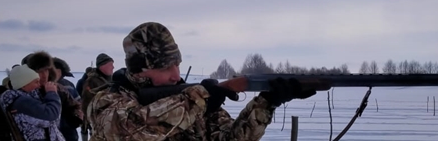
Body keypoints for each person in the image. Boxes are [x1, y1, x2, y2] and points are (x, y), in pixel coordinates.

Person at [88, 22, 316, 140]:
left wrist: (266, 103)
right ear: (141, 69)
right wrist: (201, 99)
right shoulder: (107, 102)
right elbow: (131, 131)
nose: (176, 75)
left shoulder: (192, 101)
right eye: (166, 67)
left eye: (177, 64)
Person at [26, 51, 83, 141]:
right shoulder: (24, 91)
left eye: (46, 70)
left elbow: (75, 106)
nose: (44, 75)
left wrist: (70, 123)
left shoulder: (59, 89)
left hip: (63, 136)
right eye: (40, 71)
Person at [0, 64, 64, 140]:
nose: (39, 85)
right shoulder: (21, 102)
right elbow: (51, 115)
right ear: (23, 85)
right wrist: (52, 93)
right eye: (36, 82)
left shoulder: (28, 97)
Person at [80, 53, 114, 141]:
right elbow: (86, 104)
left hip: (110, 122)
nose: (113, 67)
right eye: (110, 65)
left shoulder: (111, 79)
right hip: (98, 123)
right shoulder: (91, 81)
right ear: (102, 66)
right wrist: (92, 122)